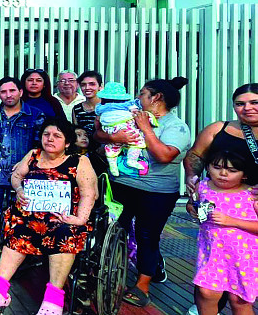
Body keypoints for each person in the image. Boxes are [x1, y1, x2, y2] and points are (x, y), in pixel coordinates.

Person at [0, 118, 98, 315]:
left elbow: (90, 193)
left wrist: (80, 219)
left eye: (57, 136)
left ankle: (53, 301)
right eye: (46, 134)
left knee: (65, 233)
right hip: (30, 215)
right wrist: (19, 190)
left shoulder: (80, 161)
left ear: (67, 142)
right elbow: (16, 176)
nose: (50, 139)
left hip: (63, 219)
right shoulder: (33, 155)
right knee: (17, 226)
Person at [94, 77, 191, 308]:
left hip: (156, 191)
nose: (137, 97)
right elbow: (98, 134)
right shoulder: (131, 114)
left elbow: (164, 155)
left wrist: (146, 129)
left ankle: (143, 285)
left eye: (142, 94)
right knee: (113, 228)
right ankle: (109, 271)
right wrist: (112, 137)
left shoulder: (176, 126)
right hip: (121, 185)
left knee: (147, 236)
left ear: (156, 98)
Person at [182, 83, 258, 315]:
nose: (247, 108)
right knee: (208, 287)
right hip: (218, 205)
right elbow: (195, 155)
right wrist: (193, 182)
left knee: (241, 296)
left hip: (251, 210)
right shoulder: (219, 129)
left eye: (254, 102)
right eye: (240, 104)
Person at [0, 77, 45, 264]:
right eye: (4, 92)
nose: (8, 95)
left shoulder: (35, 115)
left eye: (12, 90)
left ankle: (18, 250)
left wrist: (26, 162)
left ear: (20, 92)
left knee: (21, 215)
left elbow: (40, 145)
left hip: (22, 175)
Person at [190, 151, 258, 315]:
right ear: (208, 167)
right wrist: (192, 208)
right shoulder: (203, 187)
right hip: (212, 253)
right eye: (216, 167)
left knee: (239, 300)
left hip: (243, 258)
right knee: (206, 293)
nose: (223, 173)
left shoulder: (252, 195)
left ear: (244, 174)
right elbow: (194, 204)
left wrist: (231, 221)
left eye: (232, 170)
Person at [95, 82, 157, 176]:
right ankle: (131, 160)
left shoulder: (100, 107)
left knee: (112, 147)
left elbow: (97, 125)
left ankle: (113, 165)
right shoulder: (127, 104)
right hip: (124, 126)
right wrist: (151, 117)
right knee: (137, 141)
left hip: (109, 128)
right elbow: (136, 109)